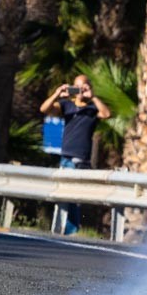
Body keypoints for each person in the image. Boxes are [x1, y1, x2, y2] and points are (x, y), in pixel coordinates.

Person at [40, 74, 111, 234]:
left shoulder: (92, 109)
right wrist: (57, 94)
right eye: (76, 87)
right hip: (65, 156)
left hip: (81, 158)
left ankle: (70, 228)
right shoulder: (67, 105)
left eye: (83, 87)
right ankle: (67, 227)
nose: (79, 91)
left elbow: (106, 114)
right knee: (64, 193)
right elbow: (44, 109)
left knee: (73, 194)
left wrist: (93, 97)